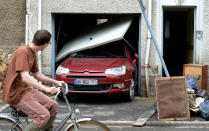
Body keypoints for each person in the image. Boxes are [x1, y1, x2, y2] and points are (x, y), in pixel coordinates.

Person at [1, 29, 64, 131]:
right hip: (16, 93)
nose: (48, 45)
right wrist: (46, 89)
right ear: (45, 44)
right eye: (49, 43)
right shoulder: (22, 52)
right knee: (43, 115)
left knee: (53, 105)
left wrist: (55, 82)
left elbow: (37, 74)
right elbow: (25, 77)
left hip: (26, 90)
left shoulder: (32, 53)